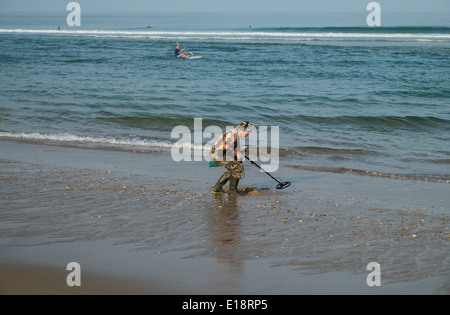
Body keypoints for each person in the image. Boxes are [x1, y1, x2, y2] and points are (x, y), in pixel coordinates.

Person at [210, 121, 252, 195]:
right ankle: (232, 190)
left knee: (233, 168)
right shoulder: (232, 134)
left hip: (222, 154)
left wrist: (238, 155)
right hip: (218, 155)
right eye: (247, 132)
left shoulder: (236, 134)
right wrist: (236, 153)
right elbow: (226, 146)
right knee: (238, 167)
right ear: (242, 130)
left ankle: (217, 187)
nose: (248, 135)